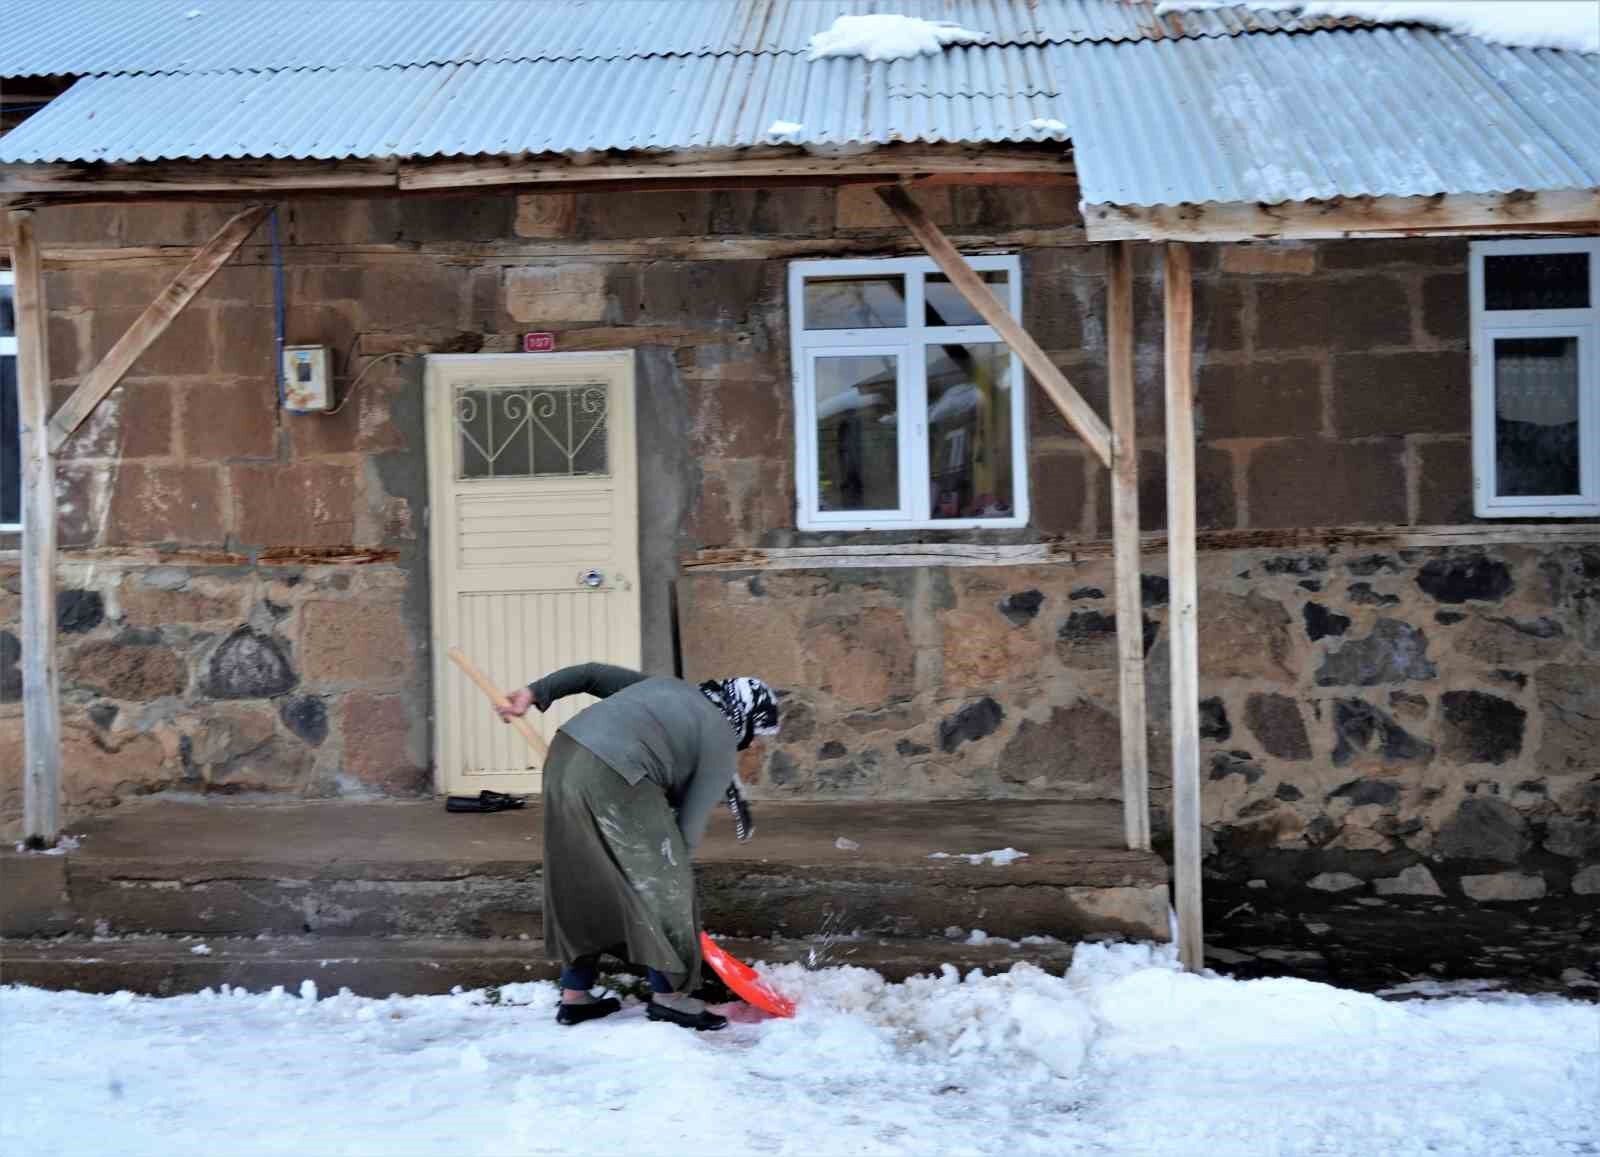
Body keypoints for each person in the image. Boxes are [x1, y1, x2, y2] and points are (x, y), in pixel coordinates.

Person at [495, 663, 779, 1032]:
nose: (750, 743)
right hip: (616, 773)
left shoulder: (667, 688)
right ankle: (671, 998)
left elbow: (591, 674)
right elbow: (685, 834)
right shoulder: (718, 741)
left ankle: (575, 996)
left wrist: (532, 693)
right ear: (743, 716)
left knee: (584, 876)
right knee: (666, 880)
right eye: (754, 733)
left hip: (565, 757)